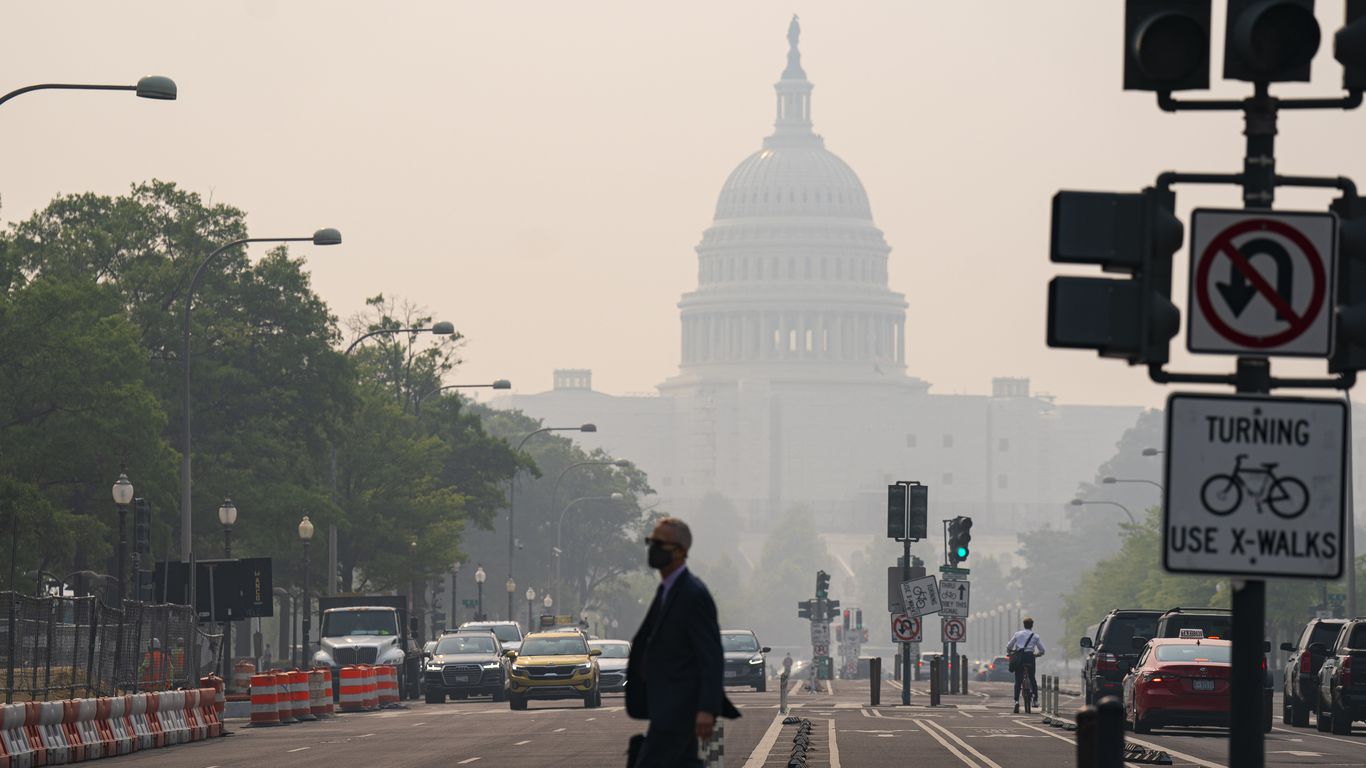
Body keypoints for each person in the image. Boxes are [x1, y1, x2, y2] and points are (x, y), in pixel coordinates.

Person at [627, 517, 739, 767]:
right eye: (651, 541)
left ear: (680, 551)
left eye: (660, 543)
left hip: (679, 707)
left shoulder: (692, 594)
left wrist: (707, 708)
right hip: (666, 703)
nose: (652, 548)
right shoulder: (667, 589)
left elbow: (710, 656)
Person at [1006, 617, 1045, 713]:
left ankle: (1016, 701)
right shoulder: (1035, 636)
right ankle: (1035, 699)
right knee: (1032, 678)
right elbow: (1042, 650)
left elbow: (1009, 646)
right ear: (1032, 625)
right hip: (1030, 658)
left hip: (1020, 658)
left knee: (1018, 680)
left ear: (1024, 625)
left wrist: (1010, 652)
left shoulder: (1017, 634)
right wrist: (1038, 654)